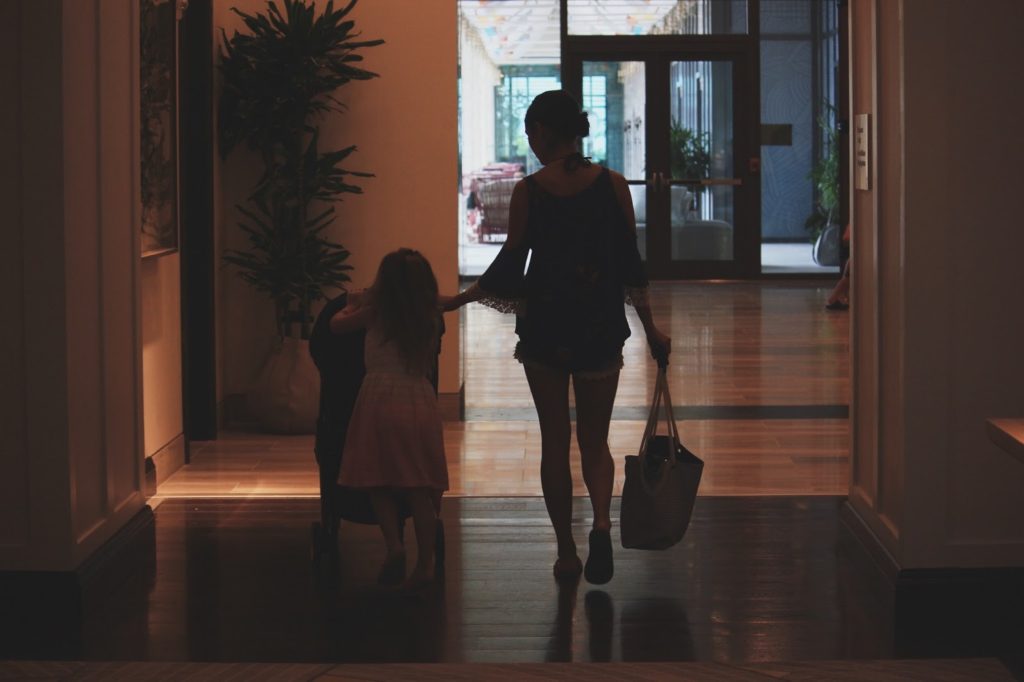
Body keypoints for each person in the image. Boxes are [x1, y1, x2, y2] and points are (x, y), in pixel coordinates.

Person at [442, 90, 671, 585]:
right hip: (598, 326)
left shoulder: (530, 190)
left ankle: (567, 552)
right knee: (595, 440)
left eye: (530, 132)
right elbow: (631, 265)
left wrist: (458, 301)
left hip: (546, 326)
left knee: (554, 440)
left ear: (544, 131)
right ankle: (602, 525)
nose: (530, 140)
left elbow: (511, 263)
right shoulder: (613, 185)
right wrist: (651, 328)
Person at [331, 248, 448, 590]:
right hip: (418, 400)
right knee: (419, 488)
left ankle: (395, 546)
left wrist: (351, 303)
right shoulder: (429, 313)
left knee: (377, 480)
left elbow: (336, 326)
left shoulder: (374, 313)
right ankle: (425, 564)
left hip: (378, 400)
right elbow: (452, 301)